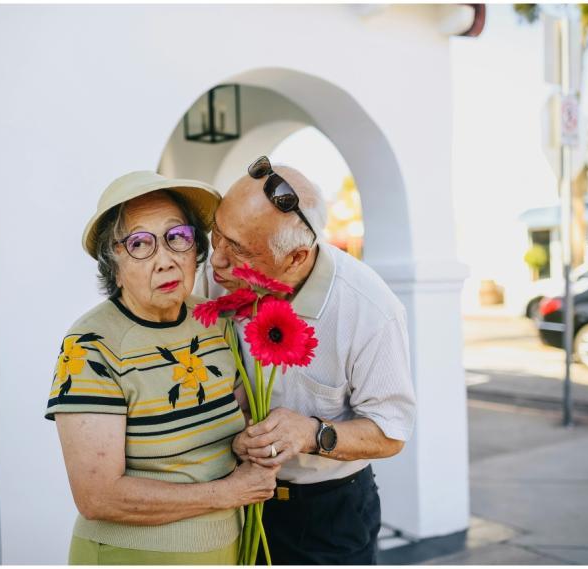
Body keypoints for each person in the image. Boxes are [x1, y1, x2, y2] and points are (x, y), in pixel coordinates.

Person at [44, 171, 278, 565]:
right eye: (139, 244)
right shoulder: (90, 345)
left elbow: (238, 422)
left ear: (195, 250)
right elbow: (97, 496)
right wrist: (226, 494)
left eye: (177, 237)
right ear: (112, 264)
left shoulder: (214, 322)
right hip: (132, 556)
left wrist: (253, 441)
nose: (165, 260)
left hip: (226, 549)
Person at [201, 156, 417, 564]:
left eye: (239, 250)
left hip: (327, 514)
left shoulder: (369, 309)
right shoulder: (214, 278)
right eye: (217, 235)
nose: (216, 261)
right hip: (230, 500)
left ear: (297, 258)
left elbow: (391, 432)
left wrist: (312, 434)